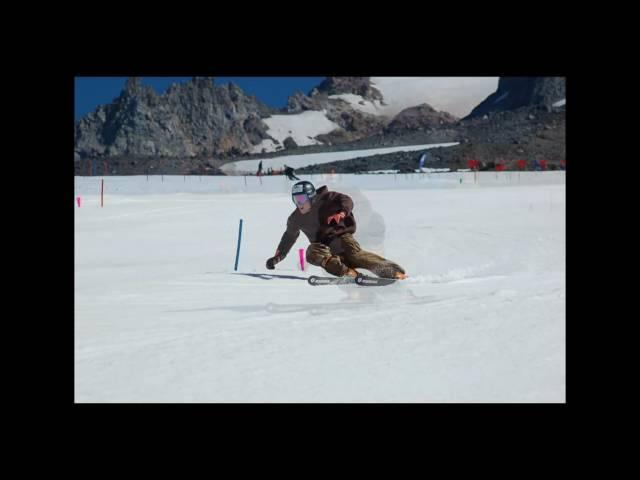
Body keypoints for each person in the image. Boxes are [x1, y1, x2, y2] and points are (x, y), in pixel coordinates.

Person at [265, 181, 407, 279]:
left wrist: (342, 213)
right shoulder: (296, 218)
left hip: (342, 239)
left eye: (301, 199)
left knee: (356, 258)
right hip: (324, 248)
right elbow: (288, 237)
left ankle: (394, 272)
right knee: (312, 253)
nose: (299, 204)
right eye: (295, 200)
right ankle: (348, 273)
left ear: (311, 197)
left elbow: (347, 200)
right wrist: (277, 258)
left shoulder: (328, 198)